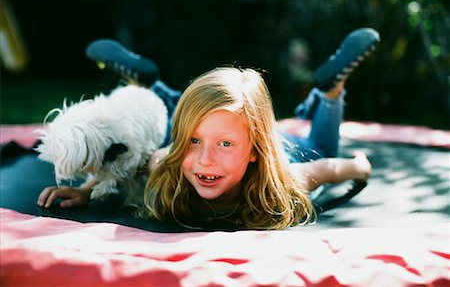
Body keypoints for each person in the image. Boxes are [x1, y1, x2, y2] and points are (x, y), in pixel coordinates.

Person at [37, 28, 379, 230]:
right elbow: (131, 161)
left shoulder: (284, 183)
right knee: (204, 118)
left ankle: (331, 93)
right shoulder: (169, 163)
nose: (204, 160)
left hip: (289, 149)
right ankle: (157, 91)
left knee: (322, 148)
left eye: (224, 145)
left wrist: (360, 166)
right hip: (247, 129)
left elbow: (328, 168)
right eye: (193, 141)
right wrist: (87, 190)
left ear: (254, 151)